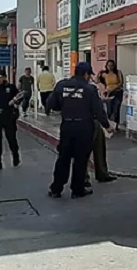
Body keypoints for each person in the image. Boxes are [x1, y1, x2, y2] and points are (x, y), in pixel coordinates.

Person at [46, 62, 111, 199]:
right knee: (81, 159)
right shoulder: (90, 89)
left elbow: (51, 104)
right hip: (84, 127)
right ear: (86, 74)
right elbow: (98, 110)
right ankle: (77, 189)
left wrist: (65, 107)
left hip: (67, 125)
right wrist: (107, 125)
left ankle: (56, 188)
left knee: (63, 158)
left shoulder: (61, 85)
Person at [85, 75, 117, 187]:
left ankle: (101, 173)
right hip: (90, 120)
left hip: (90, 120)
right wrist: (107, 124)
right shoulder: (89, 88)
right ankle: (87, 177)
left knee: (99, 147)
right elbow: (97, 107)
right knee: (87, 150)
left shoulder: (89, 86)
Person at [98, 60, 124, 128]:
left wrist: (113, 88)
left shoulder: (118, 72)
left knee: (116, 109)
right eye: (108, 65)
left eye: (111, 65)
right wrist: (98, 73)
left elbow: (121, 83)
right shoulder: (104, 74)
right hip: (108, 93)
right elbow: (97, 81)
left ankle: (116, 126)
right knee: (109, 110)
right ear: (106, 66)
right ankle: (109, 125)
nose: (110, 67)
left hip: (117, 92)